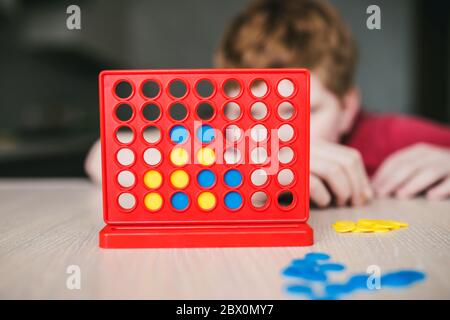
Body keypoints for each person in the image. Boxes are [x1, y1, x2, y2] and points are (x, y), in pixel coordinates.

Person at [85, 0, 450, 207]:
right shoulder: (218, 143)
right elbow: (102, 156)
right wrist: (256, 164)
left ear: (348, 109)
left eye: (295, 113)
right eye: (245, 114)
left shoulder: (387, 138)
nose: (269, 136)